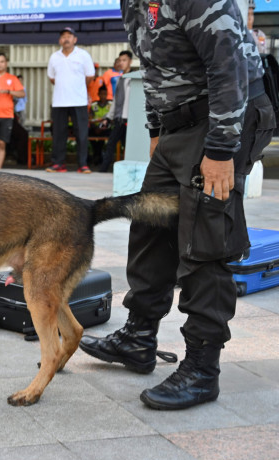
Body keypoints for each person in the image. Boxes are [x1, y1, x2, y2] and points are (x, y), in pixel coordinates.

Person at [79, 0, 276, 410]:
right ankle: (138, 337)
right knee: (150, 220)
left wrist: (222, 150)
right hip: (178, 123)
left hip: (226, 117)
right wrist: (157, 127)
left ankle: (203, 369)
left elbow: (229, 67)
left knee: (205, 240)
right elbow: (152, 65)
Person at [46, 27, 95, 173]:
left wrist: (76, 87)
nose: (66, 39)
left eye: (69, 36)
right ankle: (58, 164)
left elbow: (90, 76)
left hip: (78, 100)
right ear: (60, 40)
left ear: (75, 39)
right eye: (63, 36)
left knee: (81, 134)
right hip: (59, 101)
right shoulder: (54, 57)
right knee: (59, 134)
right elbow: (52, 78)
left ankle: (83, 164)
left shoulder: (83, 55)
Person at [97, 51, 133, 173]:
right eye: (120, 60)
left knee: (124, 145)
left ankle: (106, 169)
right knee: (113, 143)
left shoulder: (134, 79)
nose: (121, 63)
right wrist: (108, 117)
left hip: (128, 119)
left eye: (124, 60)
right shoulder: (119, 80)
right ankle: (104, 169)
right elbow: (116, 101)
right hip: (118, 118)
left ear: (130, 62)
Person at [88, 85, 111, 170]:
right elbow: (90, 118)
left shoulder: (110, 104)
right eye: (101, 94)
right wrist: (95, 127)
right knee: (89, 135)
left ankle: (97, 156)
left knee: (103, 139)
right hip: (95, 128)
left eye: (105, 94)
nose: (103, 96)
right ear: (98, 94)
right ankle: (97, 156)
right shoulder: (94, 105)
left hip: (106, 128)